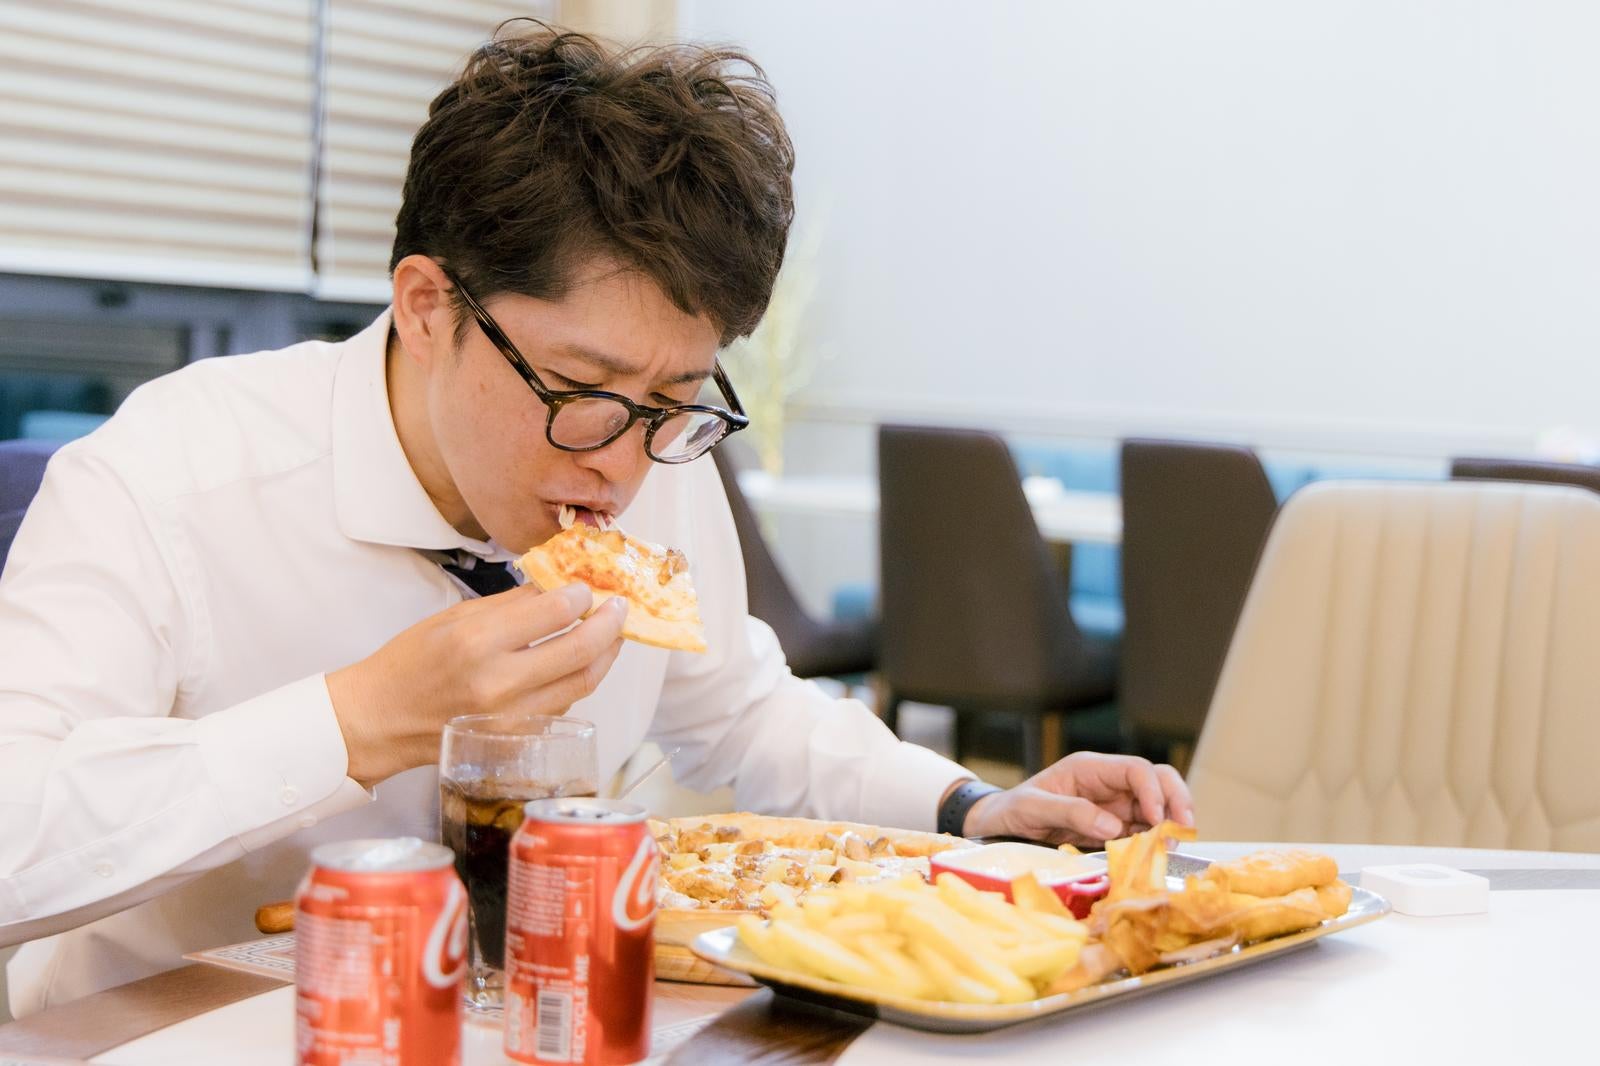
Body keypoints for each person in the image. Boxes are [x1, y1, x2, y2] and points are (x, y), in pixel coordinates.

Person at [0, 24, 1190, 1016]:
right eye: (580, 395)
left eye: (677, 401)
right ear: (427, 306)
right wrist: (358, 720)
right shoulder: (173, 473)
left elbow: (737, 711)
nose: (624, 466)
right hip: (163, 1030)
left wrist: (974, 808)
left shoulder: (656, 456)